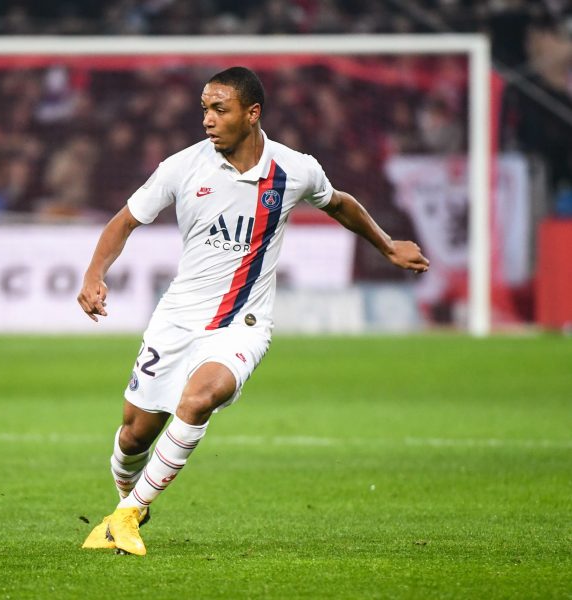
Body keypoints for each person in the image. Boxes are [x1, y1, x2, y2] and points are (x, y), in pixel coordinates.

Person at [76, 67, 429, 556]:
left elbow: (340, 203)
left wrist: (387, 246)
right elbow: (124, 220)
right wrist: (95, 274)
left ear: (252, 113)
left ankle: (128, 515)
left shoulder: (294, 169)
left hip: (244, 324)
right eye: (204, 108)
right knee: (136, 434)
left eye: (219, 109)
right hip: (177, 318)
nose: (207, 119)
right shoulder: (182, 167)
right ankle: (128, 496)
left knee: (201, 398)